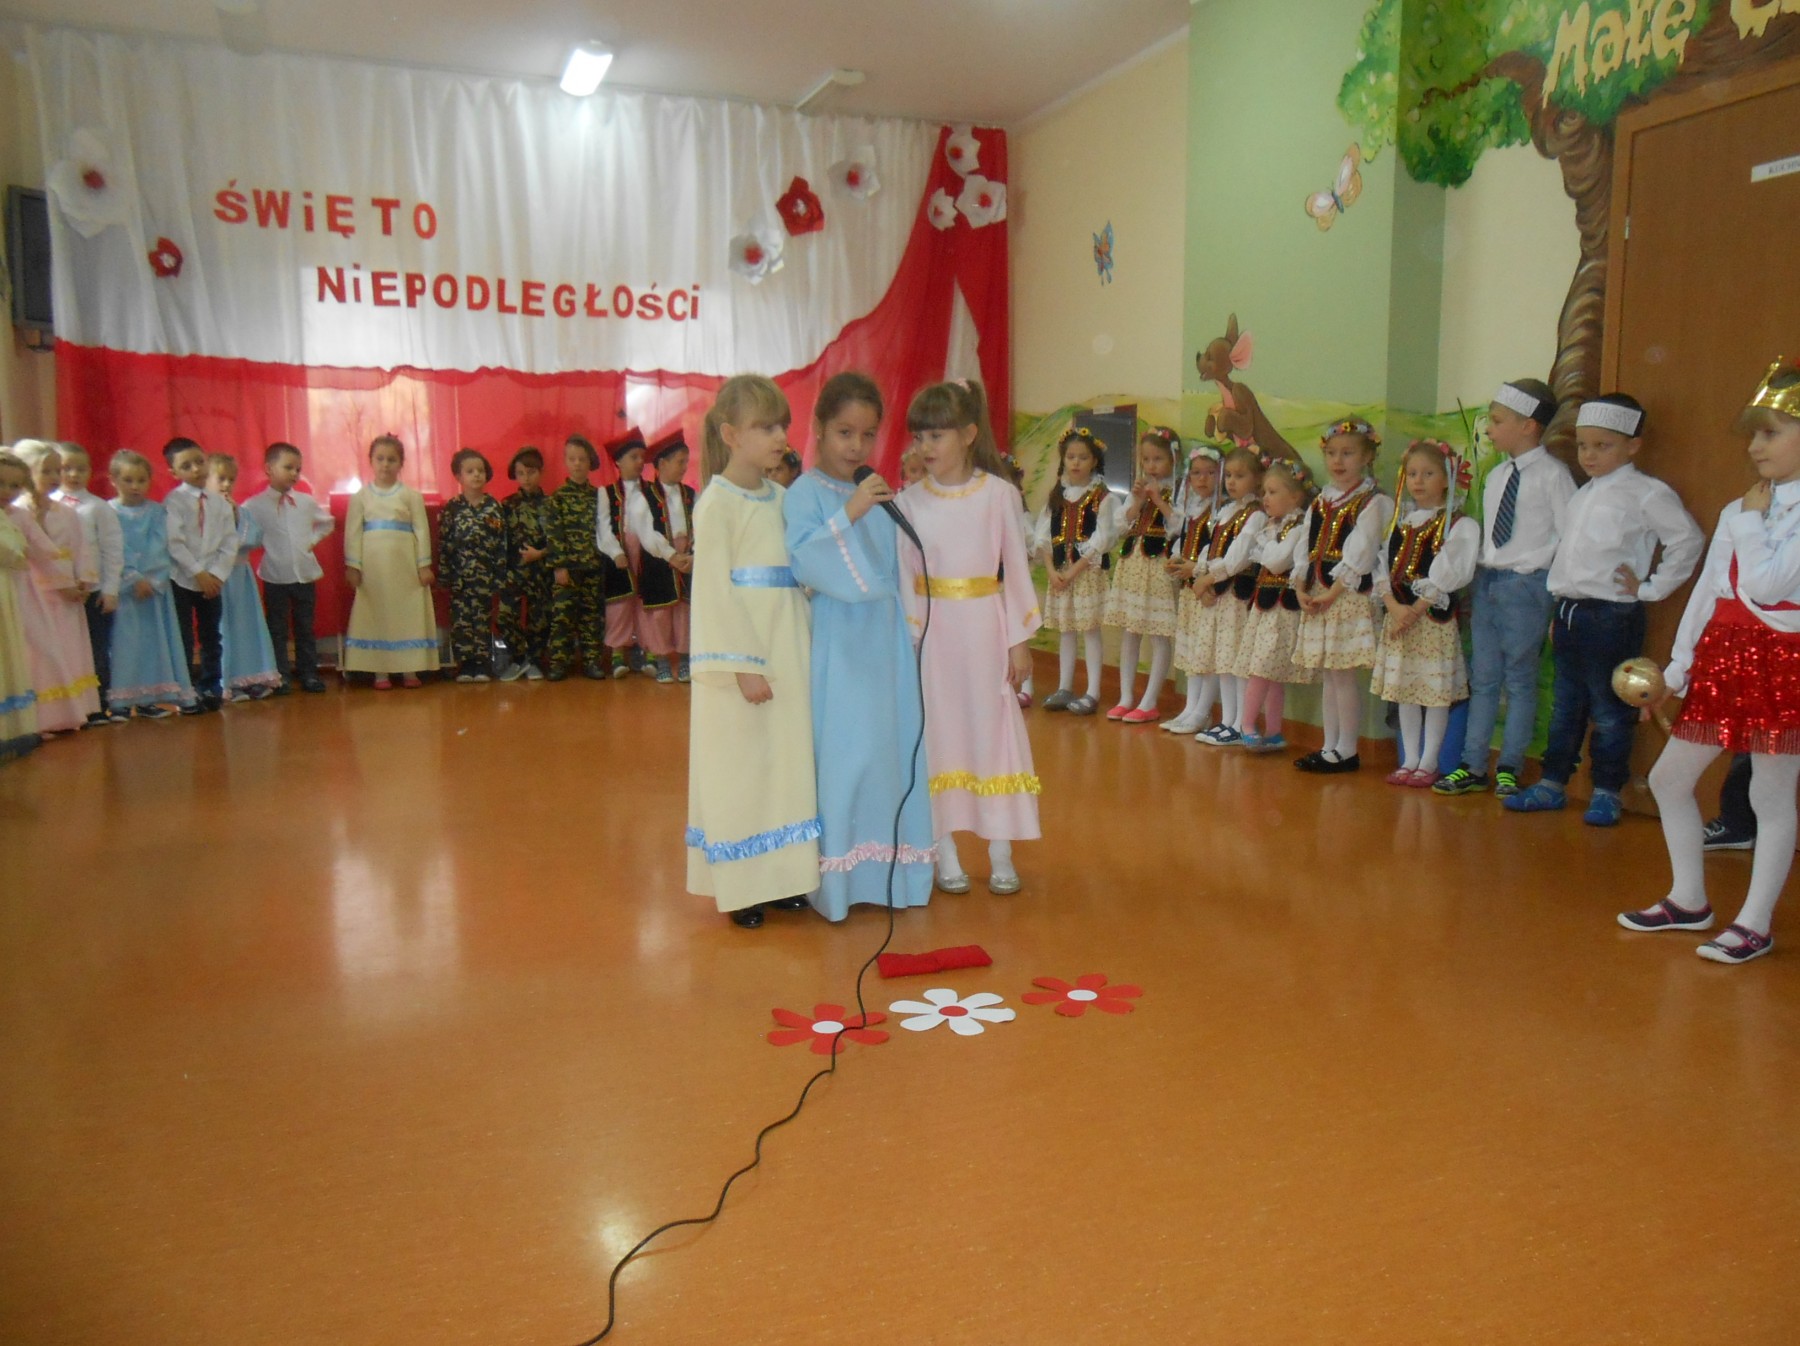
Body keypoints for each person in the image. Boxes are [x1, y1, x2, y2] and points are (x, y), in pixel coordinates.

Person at [1617, 358, 1800, 964]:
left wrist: (1749, 523)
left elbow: (1769, 585)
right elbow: (1708, 593)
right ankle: (1688, 899)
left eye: (1770, 433)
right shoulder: (1738, 508)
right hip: (1725, 657)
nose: (1754, 447)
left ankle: (1754, 923)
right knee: (1669, 779)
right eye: (1753, 434)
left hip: (1782, 664)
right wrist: (1677, 669)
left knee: (1771, 794)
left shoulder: (1750, 514)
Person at [1505, 395, 1703, 824]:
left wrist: (1651, 588)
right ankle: (1552, 782)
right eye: (1583, 446)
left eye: (1602, 446)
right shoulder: (1582, 495)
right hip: (1570, 614)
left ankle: (1608, 790)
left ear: (1632, 446)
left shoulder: (1647, 493)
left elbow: (1687, 539)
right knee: (1566, 705)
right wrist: (1559, 610)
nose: (1589, 455)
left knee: (1611, 709)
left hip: (1611, 617)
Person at [783, 371, 934, 920]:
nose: (857, 446)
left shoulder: (877, 491)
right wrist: (850, 512)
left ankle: (897, 875)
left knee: (888, 750)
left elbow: (897, 564)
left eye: (868, 435)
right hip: (839, 639)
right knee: (848, 753)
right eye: (845, 432)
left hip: (885, 639)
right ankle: (841, 883)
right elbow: (805, 559)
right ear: (820, 429)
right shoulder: (804, 494)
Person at [897, 379, 1041, 895]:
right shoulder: (908, 503)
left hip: (985, 629)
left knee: (990, 731)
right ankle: (945, 849)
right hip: (934, 638)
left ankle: (1000, 849)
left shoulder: (999, 495)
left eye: (936, 435)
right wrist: (911, 640)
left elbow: (1016, 570)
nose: (925, 447)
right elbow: (904, 575)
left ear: (968, 434)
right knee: (940, 734)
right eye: (920, 437)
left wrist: (1018, 640)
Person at [685, 375, 820, 929]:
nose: (780, 436)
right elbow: (714, 592)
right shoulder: (716, 504)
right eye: (765, 427)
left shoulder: (784, 500)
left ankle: (783, 877)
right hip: (742, 659)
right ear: (731, 435)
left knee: (785, 763)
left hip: (788, 644)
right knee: (742, 767)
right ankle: (742, 887)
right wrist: (743, 666)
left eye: (782, 425)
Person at [1434, 379, 1575, 797]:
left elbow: (1569, 535)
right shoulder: (1497, 476)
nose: (1490, 430)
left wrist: (1554, 586)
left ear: (1528, 425)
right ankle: (1473, 764)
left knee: (1519, 680)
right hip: (1489, 581)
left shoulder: (1554, 476)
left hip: (1526, 586)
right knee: (1483, 678)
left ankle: (1510, 766)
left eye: (1497, 421)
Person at [1371, 440, 1479, 785]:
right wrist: (1392, 606)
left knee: (1434, 696)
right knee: (1405, 691)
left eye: (1428, 474)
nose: (1418, 481)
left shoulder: (1457, 525)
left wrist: (1415, 610)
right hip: (1399, 619)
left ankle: (1429, 761)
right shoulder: (1399, 523)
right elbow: (1381, 567)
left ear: (1447, 479)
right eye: (1412, 474)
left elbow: (1450, 573)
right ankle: (1410, 759)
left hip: (1431, 623)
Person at [1292, 419, 1394, 773]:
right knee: (1330, 674)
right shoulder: (1321, 501)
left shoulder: (1374, 502)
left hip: (1346, 597)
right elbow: (1305, 546)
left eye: (1348, 453)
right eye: (1332, 453)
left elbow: (1362, 553)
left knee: (1344, 675)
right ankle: (1329, 745)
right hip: (1320, 594)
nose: (1338, 461)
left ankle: (1347, 749)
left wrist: (1333, 592)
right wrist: (1300, 586)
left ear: (1367, 457)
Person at [8, 440, 100, 733]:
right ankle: (39, 716)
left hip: (65, 594)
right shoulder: (17, 511)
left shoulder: (65, 512)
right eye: (45, 471)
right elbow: (35, 556)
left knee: (67, 652)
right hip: (33, 592)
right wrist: (61, 582)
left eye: (55, 470)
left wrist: (83, 579)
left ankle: (73, 710)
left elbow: (79, 548)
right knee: (39, 654)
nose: (53, 477)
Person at [1031, 426, 1121, 716]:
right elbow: (1043, 537)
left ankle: (1093, 691)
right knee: (1066, 630)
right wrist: (1052, 570)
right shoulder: (1057, 496)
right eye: (1070, 457)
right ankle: (1064, 687)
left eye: (1083, 457)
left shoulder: (1102, 497)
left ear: (1094, 461)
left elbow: (1102, 541)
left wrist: (1073, 572)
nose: (1076, 462)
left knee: (1089, 630)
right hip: (1060, 573)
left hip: (1086, 575)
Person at [105, 450, 198, 717]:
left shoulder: (157, 512)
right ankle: (122, 701)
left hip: (152, 591)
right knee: (125, 644)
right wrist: (133, 578)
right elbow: (113, 547)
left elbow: (160, 546)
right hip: (124, 591)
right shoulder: (108, 512)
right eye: (128, 480)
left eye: (141, 480)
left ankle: (149, 698)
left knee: (153, 644)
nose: (135, 486)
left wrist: (150, 579)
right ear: (113, 480)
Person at [1232, 459, 1316, 754]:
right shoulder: (1275, 525)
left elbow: (1278, 561)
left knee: (1269, 670)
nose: (1265, 498)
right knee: (1264, 669)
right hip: (1265, 607)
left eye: (1273, 492)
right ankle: (1261, 728)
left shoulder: (1298, 527)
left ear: (1294, 496)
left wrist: (1265, 543)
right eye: (1264, 492)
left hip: (1283, 609)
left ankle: (1256, 726)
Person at [343, 434, 438, 689]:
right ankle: (380, 671)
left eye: (392, 459)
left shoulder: (411, 496)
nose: (385, 464)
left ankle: (409, 668)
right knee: (376, 614)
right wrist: (353, 566)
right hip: (374, 570)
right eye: (380, 459)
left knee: (408, 614)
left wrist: (424, 565)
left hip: (405, 568)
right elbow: (353, 533)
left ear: (401, 463)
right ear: (371, 461)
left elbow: (422, 531)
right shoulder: (360, 497)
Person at [240, 442, 333, 694]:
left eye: (298, 469)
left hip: (305, 574)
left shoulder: (305, 502)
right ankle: (279, 675)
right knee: (277, 629)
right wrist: (259, 545)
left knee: (305, 627)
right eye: (288, 467)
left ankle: (308, 673)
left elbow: (326, 523)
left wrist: (309, 542)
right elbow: (243, 530)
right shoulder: (254, 505)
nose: (294, 473)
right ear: (269, 469)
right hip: (275, 575)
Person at [1105, 427, 1183, 722]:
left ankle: (1149, 701)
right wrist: (1137, 501)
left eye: (1158, 459)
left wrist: (1159, 500)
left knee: (1159, 634)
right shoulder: (1137, 490)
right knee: (1131, 631)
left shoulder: (1178, 491)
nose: (1151, 466)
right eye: (1146, 460)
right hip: (1133, 564)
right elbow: (1120, 526)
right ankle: (1126, 696)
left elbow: (1179, 526)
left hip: (1158, 566)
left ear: (1173, 460)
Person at [1195, 448, 1266, 746]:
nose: (1232, 482)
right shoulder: (1226, 511)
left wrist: (1208, 578)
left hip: (1238, 596)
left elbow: (1238, 557)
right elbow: (1209, 549)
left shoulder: (1256, 515)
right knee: (1223, 659)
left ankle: (1240, 723)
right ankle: (1227, 719)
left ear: (1257, 479)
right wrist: (1202, 577)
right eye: (1229, 476)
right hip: (1220, 595)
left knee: (1237, 661)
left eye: (1240, 476)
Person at [52, 442, 125, 723]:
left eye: (81, 469)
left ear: (91, 472)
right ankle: (67, 707)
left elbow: (112, 549)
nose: (73, 474)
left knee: (96, 649)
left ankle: (98, 704)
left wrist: (110, 589)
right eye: (66, 468)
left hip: (93, 592)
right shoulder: (50, 504)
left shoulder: (98, 507)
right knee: (65, 650)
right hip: (60, 593)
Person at [161, 436, 233, 712]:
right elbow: (174, 543)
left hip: (212, 582)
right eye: (186, 466)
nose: (196, 469)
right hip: (182, 579)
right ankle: (186, 690)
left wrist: (216, 575)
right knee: (184, 637)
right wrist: (198, 573)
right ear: (174, 472)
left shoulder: (219, 503)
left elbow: (229, 542)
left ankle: (211, 686)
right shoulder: (174, 501)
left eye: (199, 462)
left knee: (212, 636)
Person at [206, 453, 283, 701]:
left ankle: (252, 677)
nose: (226, 484)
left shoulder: (240, 510)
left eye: (231, 479)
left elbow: (254, 538)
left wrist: (236, 516)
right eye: (220, 478)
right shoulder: (202, 511)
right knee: (223, 627)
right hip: (219, 578)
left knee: (246, 627)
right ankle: (225, 680)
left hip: (241, 577)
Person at [630, 431, 697, 684]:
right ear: (661, 464)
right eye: (680, 461)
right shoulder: (643, 497)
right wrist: (670, 555)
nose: (684, 467)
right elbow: (647, 533)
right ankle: (661, 661)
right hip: (658, 558)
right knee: (660, 613)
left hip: (686, 556)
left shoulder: (691, 494)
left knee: (684, 610)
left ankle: (685, 659)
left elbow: (699, 526)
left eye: (686, 461)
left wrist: (692, 555)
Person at [438, 448, 510, 683]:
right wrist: (444, 575)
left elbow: (501, 543)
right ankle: (465, 665)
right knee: (461, 621)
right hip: (460, 578)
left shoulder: (493, 506)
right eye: (470, 471)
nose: (476, 475)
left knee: (482, 620)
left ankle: (482, 664)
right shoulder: (453, 508)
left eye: (480, 470)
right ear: (459, 476)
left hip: (485, 578)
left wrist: (499, 575)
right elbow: (445, 543)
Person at [1165, 447, 1222, 735]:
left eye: (1210, 473)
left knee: (1206, 652)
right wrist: (1176, 560)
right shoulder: (1191, 509)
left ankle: (1203, 711)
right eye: (1197, 473)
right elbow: (1185, 540)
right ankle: (1190, 707)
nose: (1203, 479)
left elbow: (1216, 550)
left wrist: (1197, 569)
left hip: (1208, 588)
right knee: (1191, 650)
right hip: (1190, 590)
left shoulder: (1220, 512)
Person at [544, 434, 608, 681]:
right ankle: (559, 663)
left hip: (592, 566)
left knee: (591, 617)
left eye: (582, 459)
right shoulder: (558, 497)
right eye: (572, 459)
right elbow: (554, 533)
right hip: (568, 568)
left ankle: (592, 661)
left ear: (590, 462)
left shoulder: (598, 495)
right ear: (565, 462)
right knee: (563, 616)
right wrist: (559, 565)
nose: (577, 463)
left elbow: (604, 530)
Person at [0, 451, 42, 759]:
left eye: (15, 485)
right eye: (1, 483)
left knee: (9, 654)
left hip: (6, 593)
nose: (7, 491)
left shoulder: (8, 516)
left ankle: (11, 729)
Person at [497, 446, 551, 681]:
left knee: (540, 621)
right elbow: (500, 540)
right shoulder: (507, 505)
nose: (526, 478)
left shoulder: (551, 504)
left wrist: (540, 553)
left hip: (541, 572)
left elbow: (559, 540)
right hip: (513, 573)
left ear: (540, 472)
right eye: (521, 473)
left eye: (531, 472)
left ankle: (535, 661)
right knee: (505, 616)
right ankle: (520, 659)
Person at [597, 431, 647, 677]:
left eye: (642, 457)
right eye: (633, 457)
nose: (640, 462)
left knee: (646, 600)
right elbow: (603, 527)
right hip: (619, 552)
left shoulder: (651, 491)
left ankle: (647, 650)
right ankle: (618, 654)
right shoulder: (606, 493)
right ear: (618, 461)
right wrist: (615, 551)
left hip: (647, 551)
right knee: (619, 604)